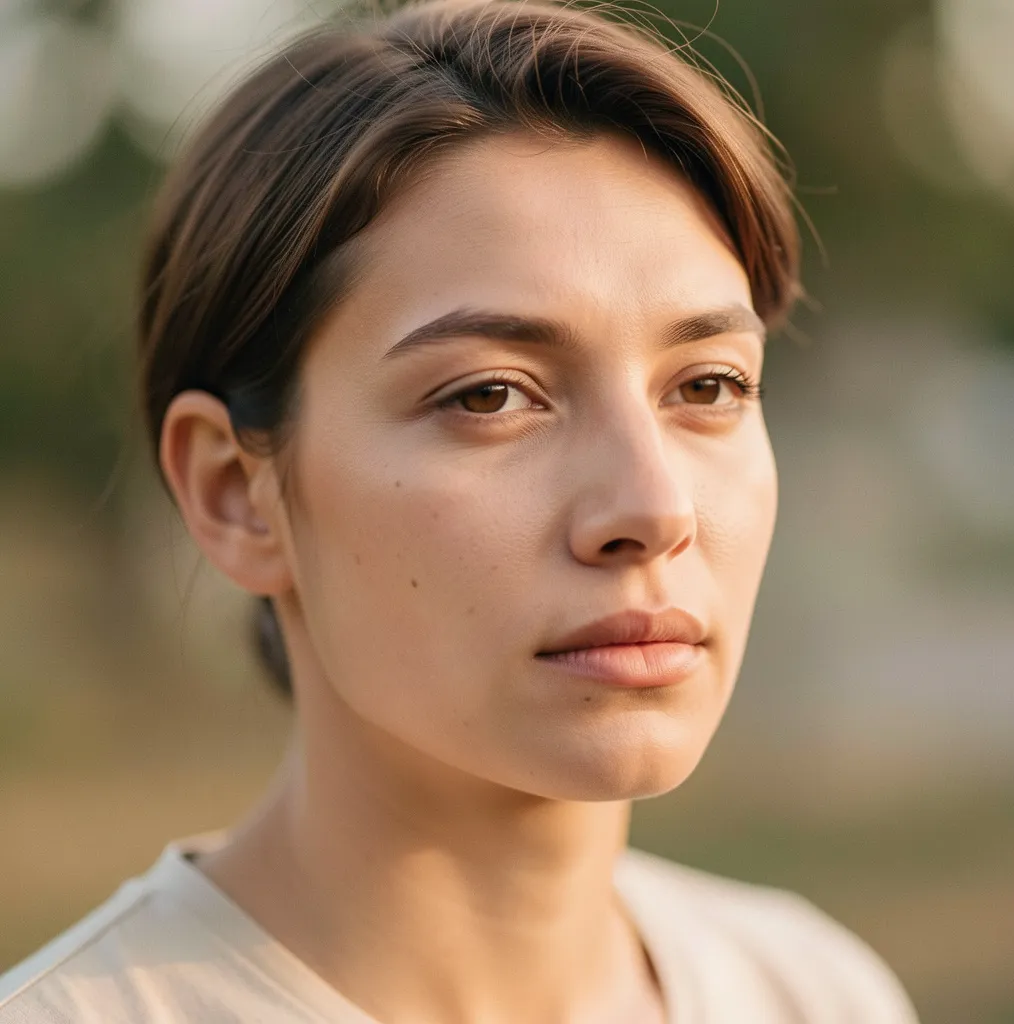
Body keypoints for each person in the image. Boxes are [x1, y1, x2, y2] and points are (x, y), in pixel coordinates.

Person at [0, 1, 920, 1020]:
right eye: (489, 395)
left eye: (707, 386)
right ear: (233, 493)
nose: (652, 508)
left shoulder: (809, 989)